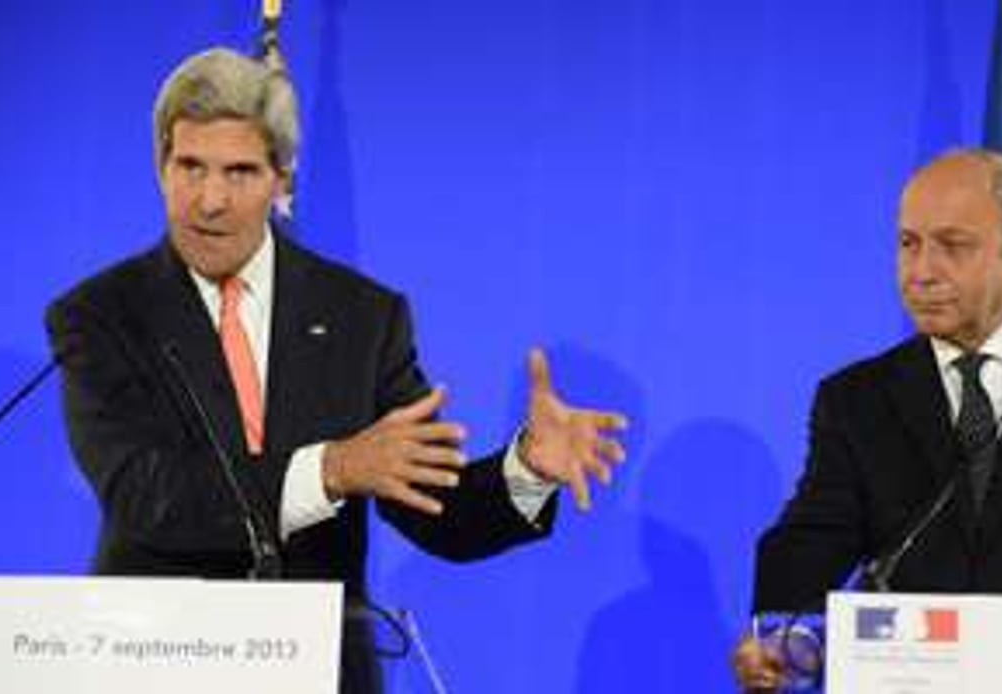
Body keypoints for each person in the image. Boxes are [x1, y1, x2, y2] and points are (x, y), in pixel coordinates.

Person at [45, 47, 627, 693]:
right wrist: (331, 469)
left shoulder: (361, 316)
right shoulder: (102, 314)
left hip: (317, 670)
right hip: (149, 664)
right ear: (161, 166)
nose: (209, 199)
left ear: (281, 178)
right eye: (190, 167)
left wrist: (524, 470)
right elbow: (147, 496)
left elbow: (435, 506)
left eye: (239, 172)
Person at [732, 148, 1002, 691]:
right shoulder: (858, 399)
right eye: (909, 243)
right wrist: (783, 633)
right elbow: (814, 536)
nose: (921, 271)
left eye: (953, 246)